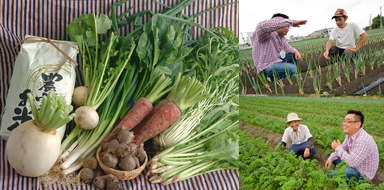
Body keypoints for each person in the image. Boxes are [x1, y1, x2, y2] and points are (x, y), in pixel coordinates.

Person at [325, 110, 379, 181]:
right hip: (354, 164)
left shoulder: (363, 140)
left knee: (333, 175)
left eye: (348, 121)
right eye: (344, 121)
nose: (344, 124)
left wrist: (337, 148)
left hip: (361, 173)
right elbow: (343, 148)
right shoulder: (350, 135)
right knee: (334, 159)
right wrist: (330, 159)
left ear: (357, 124)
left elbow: (352, 163)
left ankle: (346, 175)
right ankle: (344, 171)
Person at [252, 13, 307, 81]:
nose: (288, 28)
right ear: (276, 25)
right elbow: (261, 26)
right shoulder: (266, 34)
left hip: (276, 62)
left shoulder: (281, 37)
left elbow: (287, 46)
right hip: (266, 66)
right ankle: (288, 78)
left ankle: (274, 78)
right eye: (285, 25)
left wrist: (296, 51)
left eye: (288, 26)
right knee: (293, 68)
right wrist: (291, 22)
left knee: (293, 55)